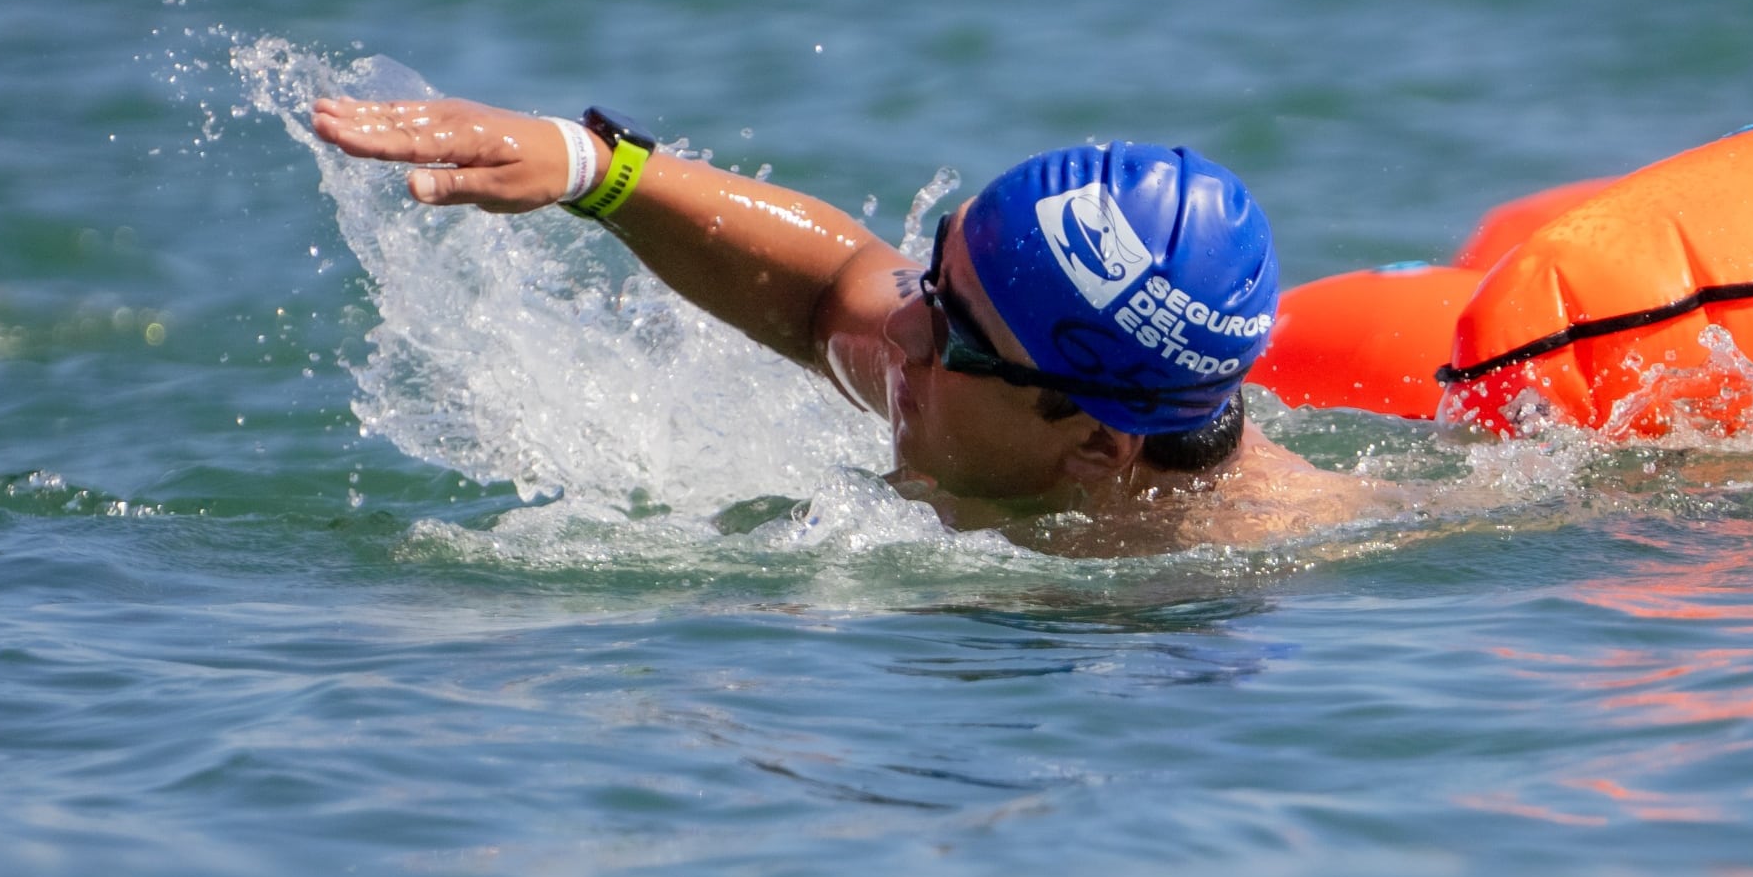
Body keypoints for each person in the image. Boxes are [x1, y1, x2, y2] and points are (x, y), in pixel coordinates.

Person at [310, 97, 1378, 552]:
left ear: (1096, 442)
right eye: (932, 277)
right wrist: (594, 169)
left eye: (951, 334)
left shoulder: (1255, 551)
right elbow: (829, 285)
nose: (899, 326)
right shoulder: (972, 355)